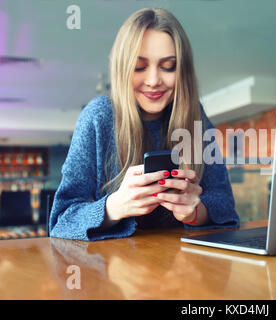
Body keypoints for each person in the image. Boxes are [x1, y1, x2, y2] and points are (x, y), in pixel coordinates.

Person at [49, 8, 240, 241]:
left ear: (182, 71)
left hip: (183, 269)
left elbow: (226, 206)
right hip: (111, 271)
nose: (153, 81)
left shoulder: (195, 115)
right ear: (122, 68)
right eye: (140, 66)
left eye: (168, 66)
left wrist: (195, 211)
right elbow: (61, 221)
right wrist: (114, 207)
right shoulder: (99, 117)